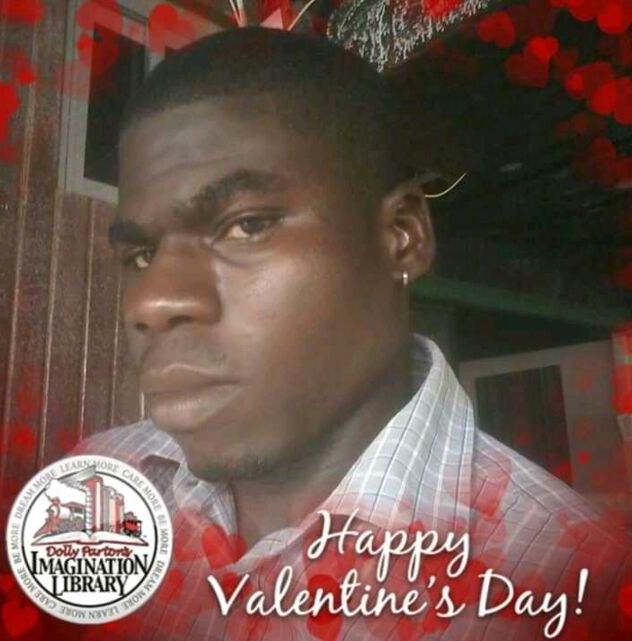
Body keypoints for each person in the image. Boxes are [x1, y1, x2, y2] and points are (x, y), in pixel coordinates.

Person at [75, 26, 631, 641]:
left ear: (401, 237)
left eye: (248, 225)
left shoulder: (581, 594)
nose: (153, 302)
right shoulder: (95, 486)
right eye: (141, 256)